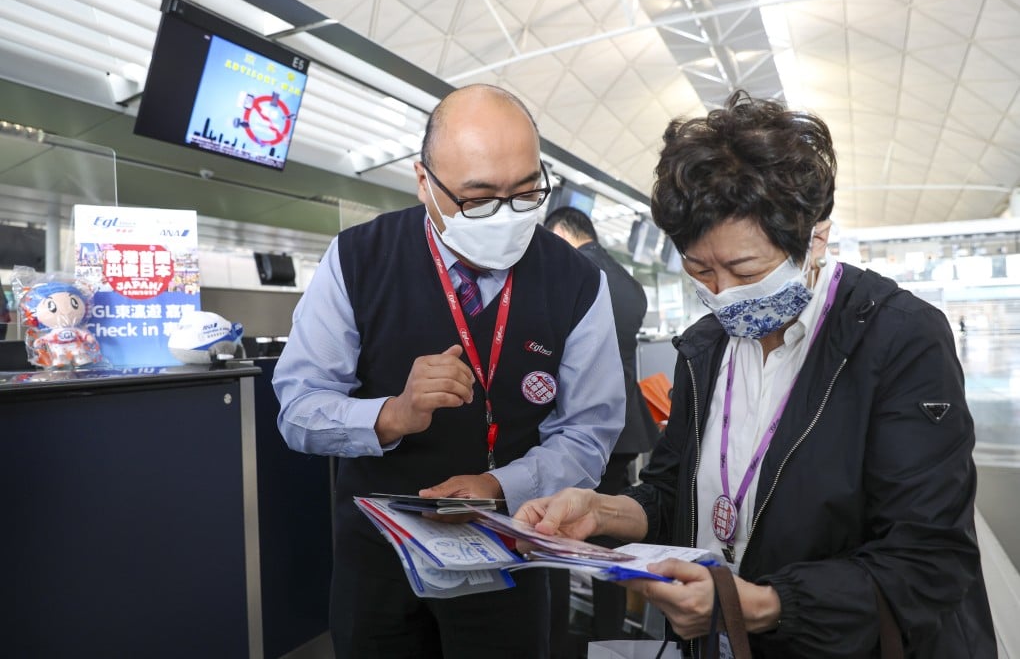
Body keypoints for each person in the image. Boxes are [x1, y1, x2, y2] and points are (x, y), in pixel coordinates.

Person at [515, 90, 995, 657]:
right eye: (700, 269)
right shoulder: (706, 349)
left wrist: (762, 606)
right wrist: (602, 511)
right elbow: (675, 493)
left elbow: (927, 560)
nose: (721, 295)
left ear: (814, 236)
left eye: (744, 268)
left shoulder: (898, 340)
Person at [272, 83, 626, 659]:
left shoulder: (577, 281)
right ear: (423, 181)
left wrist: (500, 486)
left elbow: (589, 431)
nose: (505, 215)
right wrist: (392, 414)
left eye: (526, 192)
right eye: (478, 198)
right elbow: (297, 408)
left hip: (509, 550)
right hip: (379, 559)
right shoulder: (358, 258)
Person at [544, 206, 660, 653]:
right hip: (625, 430)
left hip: (576, 429)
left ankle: (554, 640)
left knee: (551, 535)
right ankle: (612, 641)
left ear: (562, 233)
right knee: (609, 541)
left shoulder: (574, 275)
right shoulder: (626, 280)